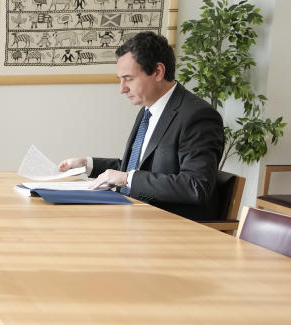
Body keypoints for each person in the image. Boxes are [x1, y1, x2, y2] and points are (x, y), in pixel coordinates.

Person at [59, 32, 224, 220]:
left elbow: (195, 186)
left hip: (169, 226)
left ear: (158, 72)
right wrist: (88, 164)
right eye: (120, 80)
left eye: (128, 79)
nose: (122, 89)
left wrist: (125, 178)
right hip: (134, 216)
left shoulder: (198, 116)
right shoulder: (148, 110)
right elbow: (140, 167)